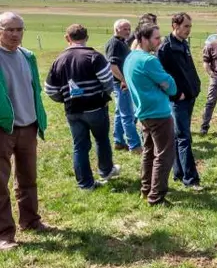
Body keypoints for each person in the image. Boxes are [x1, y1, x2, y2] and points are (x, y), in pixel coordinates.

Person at [45, 24, 120, 190]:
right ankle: (106, 170)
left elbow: (50, 89)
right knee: (101, 140)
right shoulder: (94, 56)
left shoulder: (58, 60)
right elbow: (107, 81)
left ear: (67, 38)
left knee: (79, 146)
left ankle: (85, 184)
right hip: (95, 107)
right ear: (87, 37)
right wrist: (104, 96)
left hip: (73, 110)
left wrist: (65, 98)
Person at [0, 12, 50, 251]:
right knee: (0, 183)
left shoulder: (27, 56)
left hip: (28, 126)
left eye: (19, 29)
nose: (15, 34)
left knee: (28, 178)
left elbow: (35, 91)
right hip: (3, 128)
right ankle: (4, 234)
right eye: (9, 29)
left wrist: (39, 119)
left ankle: (30, 220)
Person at [123, 23, 177, 206]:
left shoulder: (130, 58)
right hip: (158, 113)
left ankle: (146, 190)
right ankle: (156, 196)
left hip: (143, 112)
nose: (159, 41)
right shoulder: (148, 60)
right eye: (155, 38)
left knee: (149, 152)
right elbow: (171, 85)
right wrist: (166, 84)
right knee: (164, 154)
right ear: (143, 39)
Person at [157, 12, 202, 190]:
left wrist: (195, 87)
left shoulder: (183, 43)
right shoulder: (165, 48)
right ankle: (191, 179)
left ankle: (179, 173)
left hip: (189, 96)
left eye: (190, 27)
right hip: (178, 100)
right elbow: (160, 77)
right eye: (185, 26)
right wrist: (175, 95)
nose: (188, 30)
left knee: (179, 136)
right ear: (174, 26)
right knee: (184, 138)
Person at [105, 19, 142, 153]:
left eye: (129, 28)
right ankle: (135, 145)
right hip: (120, 84)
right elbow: (112, 65)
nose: (128, 31)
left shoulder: (121, 42)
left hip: (121, 83)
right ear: (117, 29)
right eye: (125, 29)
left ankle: (119, 141)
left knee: (120, 113)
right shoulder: (114, 43)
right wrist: (124, 80)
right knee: (128, 115)